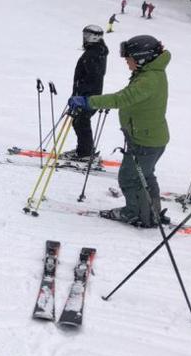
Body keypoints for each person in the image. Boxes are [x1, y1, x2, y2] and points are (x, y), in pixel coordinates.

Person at [68, 35, 170, 227]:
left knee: (130, 177)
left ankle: (136, 213)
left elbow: (121, 99)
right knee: (145, 176)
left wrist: (88, 101)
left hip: (145, 140)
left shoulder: (148, 79)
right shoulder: (150, 73)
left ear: (142, 57)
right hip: (149, 137)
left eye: (128, 58)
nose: (126, 62)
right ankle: (150, 212)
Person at [61, 25, 108, 162]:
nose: (84, 37)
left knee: (81, 121)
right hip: (88, 94)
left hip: (88, 96)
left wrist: (81, 96)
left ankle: (85, 153)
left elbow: (93, 77)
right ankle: (84, 150)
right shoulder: (96, 51)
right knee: (80, 121)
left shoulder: (93, 54)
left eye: (86, 35)